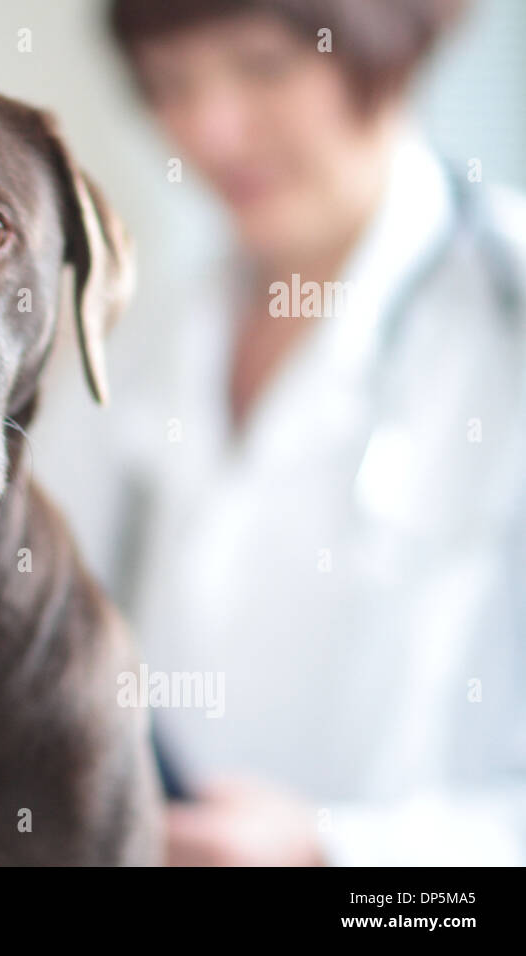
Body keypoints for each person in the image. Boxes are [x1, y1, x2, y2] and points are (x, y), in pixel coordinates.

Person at [76, 0, 526, 864]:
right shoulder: (141, 347)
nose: (211, 131)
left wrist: (336, 855)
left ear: (389, 50)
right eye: (170, 85)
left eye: (264, 66)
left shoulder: (503, 329)